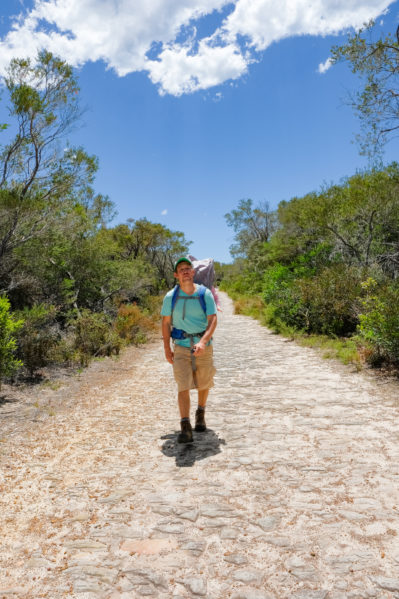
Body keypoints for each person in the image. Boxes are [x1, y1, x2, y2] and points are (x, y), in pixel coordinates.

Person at [161, 257, 217, 443]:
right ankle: (185, 426)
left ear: (193, 273)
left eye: (188, 268)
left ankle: (200, 413)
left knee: (204, 382)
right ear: (176, 275)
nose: (185, 271)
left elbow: (213, 319)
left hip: (203, 346)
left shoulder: (205, 294)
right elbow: (166, 322)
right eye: (181, 269)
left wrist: (203, 342)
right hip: (181, 347)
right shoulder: (171, 297)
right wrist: (166, 348)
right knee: (183, 384)